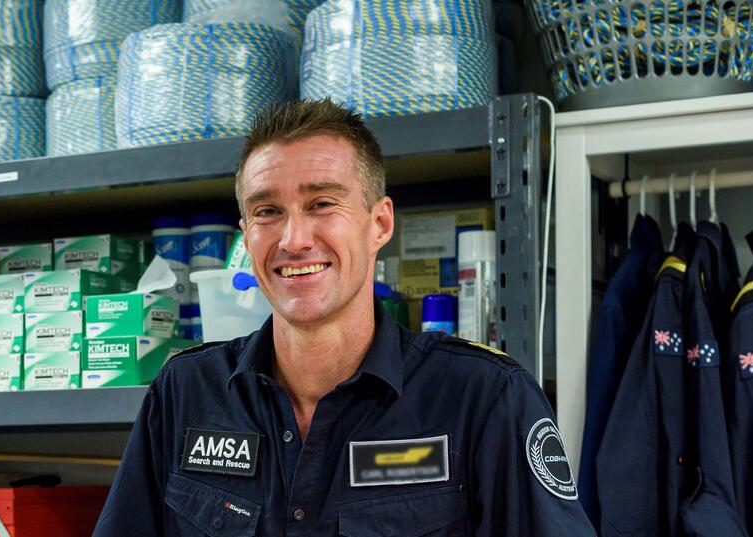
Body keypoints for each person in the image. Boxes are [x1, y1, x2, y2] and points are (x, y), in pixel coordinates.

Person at [92, 99, 595, 536]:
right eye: (267, 212)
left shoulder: (483, 399)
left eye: (322, 203)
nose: (293, 239)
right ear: (246, 237)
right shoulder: (185, 393)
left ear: (379, 223)